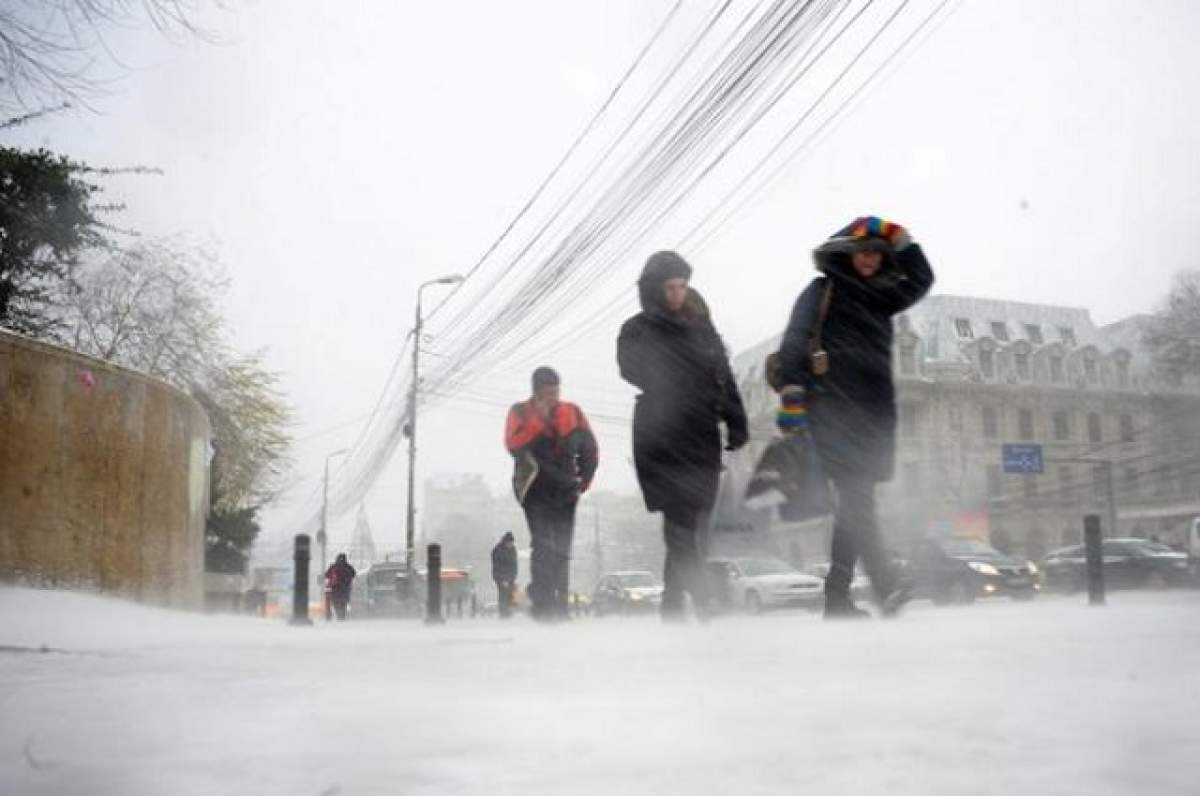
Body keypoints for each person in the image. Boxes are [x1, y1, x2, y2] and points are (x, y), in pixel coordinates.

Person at [776, 216, 934, 619]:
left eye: (878, 254)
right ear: (847, 253)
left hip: (873, 415)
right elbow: (794, 341)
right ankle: (886, 584)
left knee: (854, 505)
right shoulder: (823, 289)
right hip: (833, 409)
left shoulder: (882, 296)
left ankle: (837, 598)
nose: (869, 260)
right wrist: (793, 402)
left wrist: (900, 238)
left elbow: (921, 277)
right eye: (862, 251)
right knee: (859, 499)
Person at [617, 251, 749, 620]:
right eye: (670, 287)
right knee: (678, 521)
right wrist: (672, 369)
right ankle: (703, 597)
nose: (677, 294)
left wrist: (736, 420)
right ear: (655, 289)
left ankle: (673, 606)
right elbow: (630, 369)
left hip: (700, 433)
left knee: (698, 523)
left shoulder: (703, 329)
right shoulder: (637, 329)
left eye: (682, 286)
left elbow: (723, 376)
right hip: (659, 435)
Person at [504, 367, 599, 621]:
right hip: (534, 490)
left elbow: (590, 448)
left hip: (566, 490)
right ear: (536, 392)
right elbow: (513, 446)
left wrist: (583, 481)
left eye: (555, 392)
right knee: (544, 544)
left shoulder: (573, 413)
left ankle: (559, 604)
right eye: (547, 393)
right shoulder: (520, 412)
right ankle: (543, 604)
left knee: (562, 549)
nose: (552, 398)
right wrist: (538, 422)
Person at [491, 531, 518, 618]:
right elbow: (497, 567)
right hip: (500, 577)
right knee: (503, 594)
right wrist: (502, 580)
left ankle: (509, 613)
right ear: (505, 541)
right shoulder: (497, 550)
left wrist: (512, 578)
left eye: (512, 543)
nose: (511, 544)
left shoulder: (513, 550)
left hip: (510, 577)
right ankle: (503, 614)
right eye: (509, 543)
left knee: (511, 594)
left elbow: (514, 566)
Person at [324, 553, 357, 621]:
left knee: (336, 604)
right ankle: (341, 617)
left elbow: (326, 575)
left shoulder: (333, 566)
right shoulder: (348, 567)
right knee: (343, 605)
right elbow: (354, 574)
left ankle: (338, 616)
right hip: (345, 589)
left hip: (335, 589)